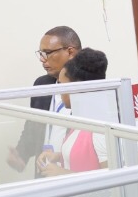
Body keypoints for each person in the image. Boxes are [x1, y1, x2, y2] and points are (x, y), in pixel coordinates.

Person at [8, 27, 82, 173]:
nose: (43, 60)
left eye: (48, 53)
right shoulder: (42, 85)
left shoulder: (91, 89)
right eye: (41, 54)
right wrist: (20, 156)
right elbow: (33, 127)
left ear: (70, 52)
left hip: (76, 177)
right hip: (46, 174)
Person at [37, 48, 109, 176]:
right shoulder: (81, 119)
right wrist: (58, 156)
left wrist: (63, 174)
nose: (60, 92)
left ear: (77, 88)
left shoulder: (100, 130)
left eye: (62, 86)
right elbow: (85, 156)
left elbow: (113, 179)